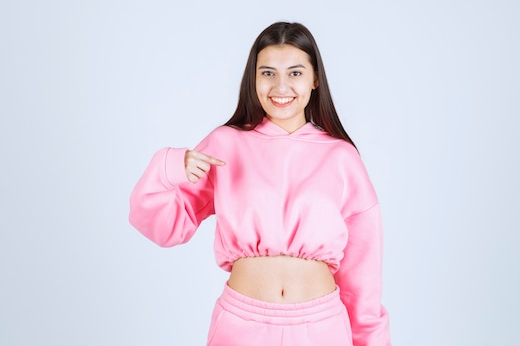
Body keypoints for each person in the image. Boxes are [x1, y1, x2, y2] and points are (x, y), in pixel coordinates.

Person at [129, 21, 391, 346]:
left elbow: (363, 277)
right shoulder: (225, 144)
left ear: (315, 80)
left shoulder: (342, 157)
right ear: (253, 79)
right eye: (268, 73)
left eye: (295, 73)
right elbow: (162, 228)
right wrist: (169, 167)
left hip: (322, 328)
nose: (281, 86)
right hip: (241, 326)